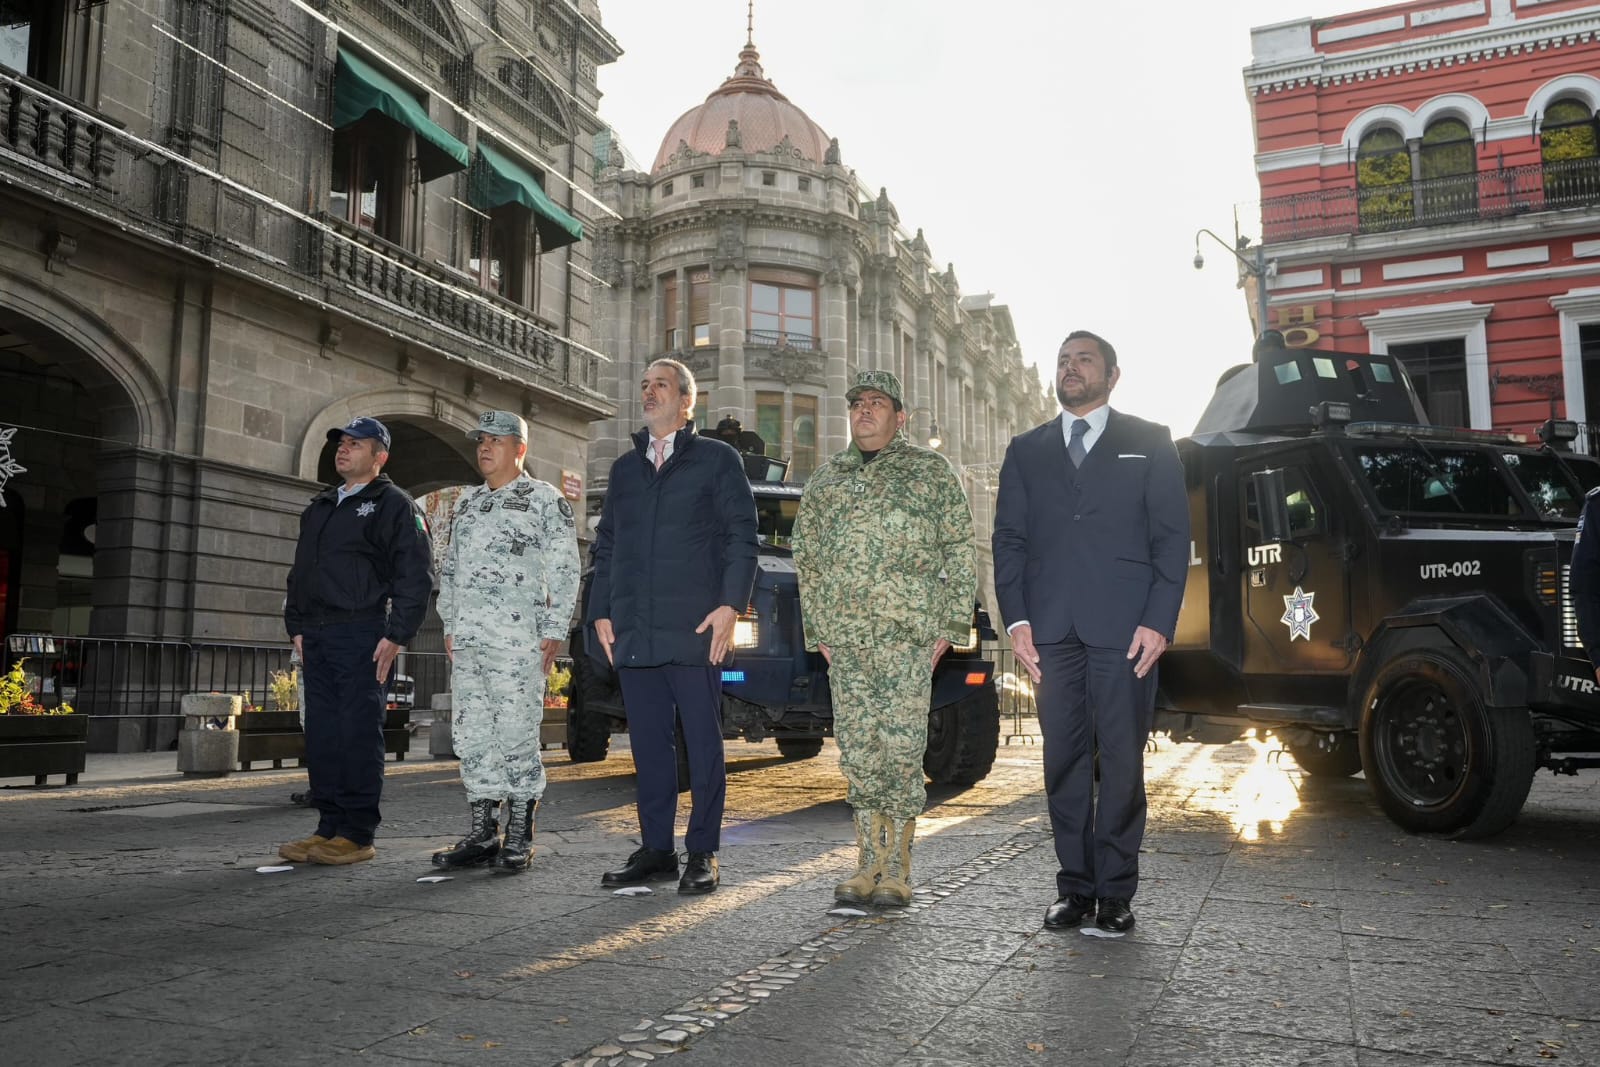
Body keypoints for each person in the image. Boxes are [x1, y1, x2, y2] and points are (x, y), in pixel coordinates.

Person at [992, 331, 1189, 933]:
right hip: (1050, 632)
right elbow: (1010, 541)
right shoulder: (1026, 450)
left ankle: (1117, 893)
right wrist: (1018, 621)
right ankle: (1075, 889)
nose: (1070, 368)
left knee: (1124, 760)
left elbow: (1172, 540)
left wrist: (1159, 621)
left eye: (1083, 360)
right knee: (1064, 762)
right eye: (1063, 360)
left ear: (1112, 374)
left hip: (1127, 631)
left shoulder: (1149, 442)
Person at [791, 370, 977, 907]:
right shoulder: (827, 481)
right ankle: (865, 864)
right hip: (846, 641)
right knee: (859, 752)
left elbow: (959, 548)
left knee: (900, 749)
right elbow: (809, 560)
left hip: (907, 638)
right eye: (857, 404)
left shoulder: (929, 472)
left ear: (900, 417)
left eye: (876, 403)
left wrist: (949, 626)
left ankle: (897, 868)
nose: (864, 411)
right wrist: (819, 631)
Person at [587, 359, 758, 894]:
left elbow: (740, 535)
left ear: (688, 401)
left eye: (660, 385)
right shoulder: (624, 470)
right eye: (644, 386)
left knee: (703, 744)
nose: (649, 392)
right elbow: (607, 544)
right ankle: (657, 849)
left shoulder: (716, 460)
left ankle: (702, 851)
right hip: (635, 630)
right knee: (648, 747)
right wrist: (599, 610)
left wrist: (731, 605)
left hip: (695, 627)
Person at [280, 416, 434, 866]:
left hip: (361, 632)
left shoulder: (393, 505)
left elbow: (414, 575)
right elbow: (300, 573)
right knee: (323, 733)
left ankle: (357, 833)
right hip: (317, 635)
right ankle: (328, 825)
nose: (343, 449)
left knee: (356, 732)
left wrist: (396, 635)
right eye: (341, 443)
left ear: (379, 456)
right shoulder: (320, 506)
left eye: (355, 444)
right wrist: (297, 627)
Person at [432, 410, 581, 874]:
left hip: (519, 642)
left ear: (520, 449)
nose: (484, 447)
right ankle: (482, 833)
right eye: (481, 440)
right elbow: (451, 569)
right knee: (472, 736)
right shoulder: (470, 504)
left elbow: (565, 568)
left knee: (516, 736)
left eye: (496, 440)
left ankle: (518, 832)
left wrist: (555, 629)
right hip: (471, 641)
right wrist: (450, 624)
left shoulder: (543, 500)